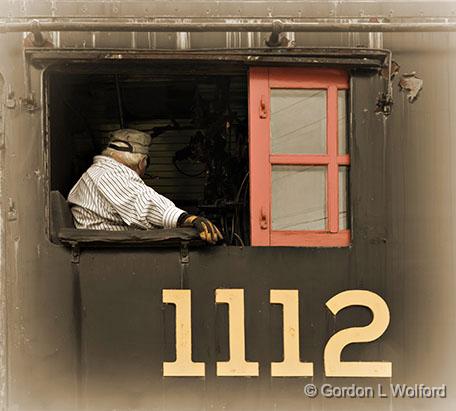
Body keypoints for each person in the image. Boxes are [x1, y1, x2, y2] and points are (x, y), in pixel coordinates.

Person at [67, 129, 223, 244]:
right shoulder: (109, 173)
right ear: (142, 163)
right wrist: (186, 218)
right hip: (109, 256)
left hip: (109, 252)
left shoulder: (99, 172)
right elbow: (142, 203)